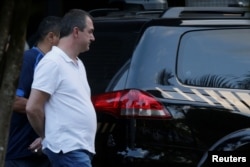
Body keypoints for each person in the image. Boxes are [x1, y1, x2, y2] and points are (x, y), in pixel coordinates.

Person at [26, 9, 96, 167]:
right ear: (76, 32)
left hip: (79, 147)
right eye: (90, 32)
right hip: (67, 148)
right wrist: (46, 136)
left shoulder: (78, 64)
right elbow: (32, 107)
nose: (93, 37)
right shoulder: (53, 62)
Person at [5, 16, 61, 167]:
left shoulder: (57, 64)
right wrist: (56, 110)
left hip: (43, 150)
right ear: (51, 37)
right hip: (20, 152)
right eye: (64, 37)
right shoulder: (30, 59)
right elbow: (13, 101)